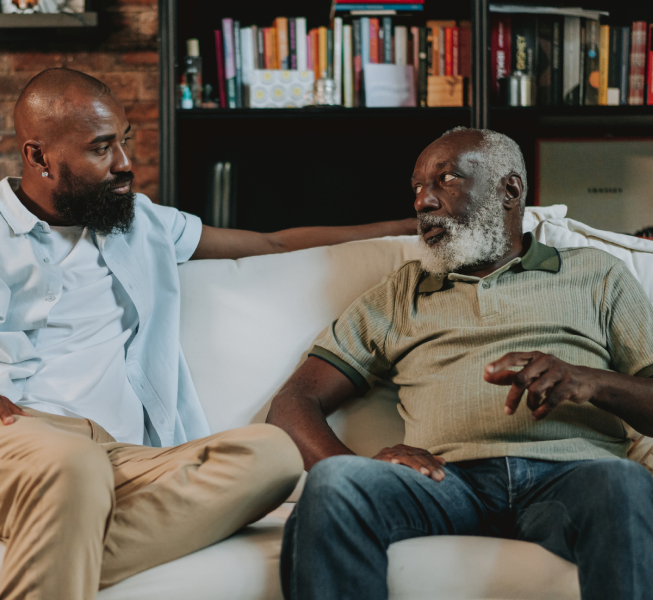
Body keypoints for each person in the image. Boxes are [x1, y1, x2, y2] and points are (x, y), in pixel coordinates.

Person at [0, 68, 416, 600]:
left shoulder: (143, 224)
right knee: (72, 464)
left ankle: (23, 583)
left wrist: (401, 231)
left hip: (115, 455)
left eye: (123, 140)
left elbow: (270, 244)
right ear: (39, 156)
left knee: (271, 455)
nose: (125, 162)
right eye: (101, 148)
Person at [267, 127, 653, 600]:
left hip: (576, 478)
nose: (423, 202)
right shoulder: (401, 292)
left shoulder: (597, 274)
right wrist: (355, 464)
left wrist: (588, 381)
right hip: (446, 482)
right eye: (416, 188)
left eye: (445, 180)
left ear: (509, 190)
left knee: (623, 482)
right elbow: (293, 402)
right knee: (336, 482)